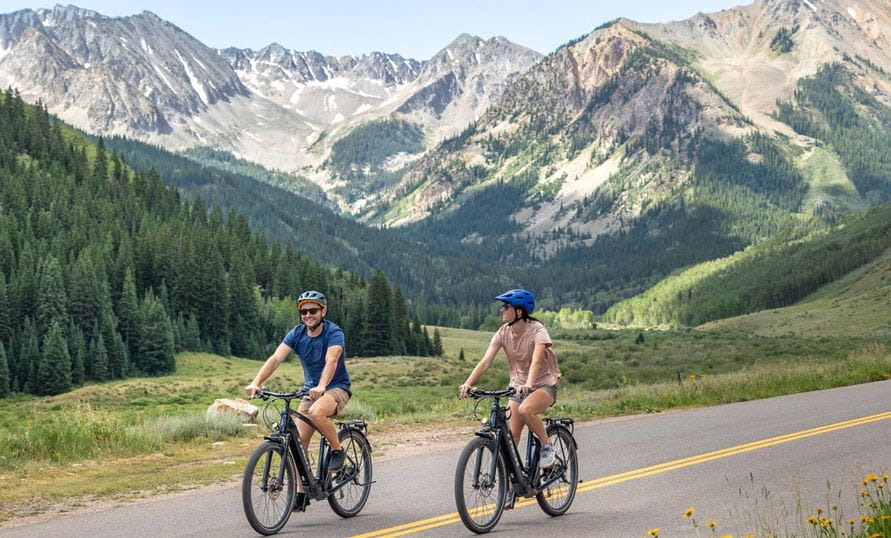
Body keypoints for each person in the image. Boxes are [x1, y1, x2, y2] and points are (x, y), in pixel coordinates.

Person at [245, 290, 351, 481]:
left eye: (313, 311)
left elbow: (332, 361)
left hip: (336, 387)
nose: (308, 315)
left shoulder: (334, 333)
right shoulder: (296, 334)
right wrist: (256, 382)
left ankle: (337, 450)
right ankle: (300, 495)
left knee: (317, 412)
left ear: (323, 311)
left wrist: (321, 385)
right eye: (304, 312)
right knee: (298, 446)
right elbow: (276, 358)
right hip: (310, 391)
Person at [458, 289, 561, 470]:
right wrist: (468, 383)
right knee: (512, 434)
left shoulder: (537, 331)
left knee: (526, 410)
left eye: (506, 307)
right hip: (518, 387)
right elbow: (485, 362)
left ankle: (547, 446)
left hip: (543, 386)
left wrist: (529, 384)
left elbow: (537, 361)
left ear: (519, 312)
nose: (502, 310)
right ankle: (515, 481)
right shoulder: (503, 333)